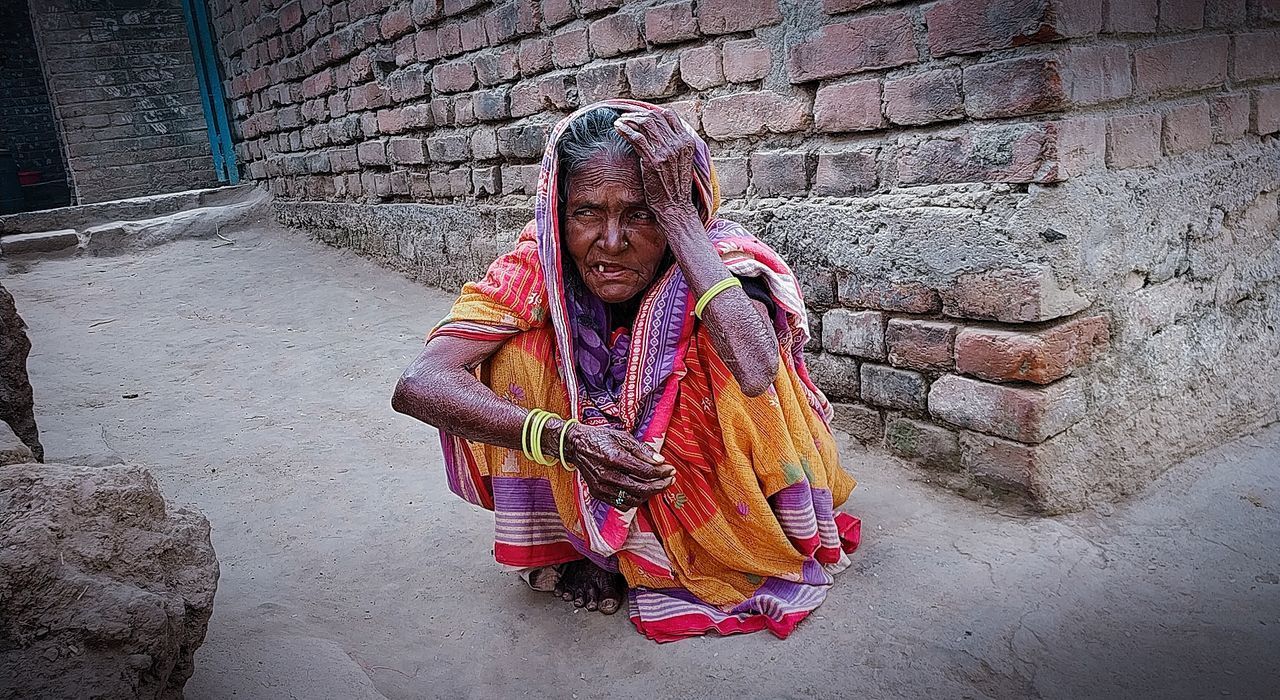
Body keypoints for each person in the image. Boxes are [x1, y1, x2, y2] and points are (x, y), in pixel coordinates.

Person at [392, 99, 860, 642]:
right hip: (592, 456)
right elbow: (419, 383)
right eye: (587, 213)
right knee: (517, 354)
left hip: (728, 487)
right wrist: (568, 440)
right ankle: (590, 545)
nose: (611, 243)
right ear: (558, 212)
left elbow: (756, 369)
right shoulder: (540, 261)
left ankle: (693, 547)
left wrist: (682, 225)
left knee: (719, 351)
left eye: (641, 214)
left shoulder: (719, 253)